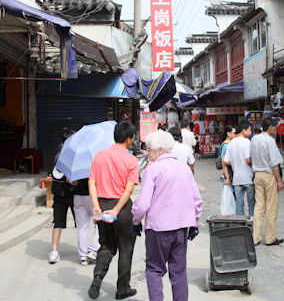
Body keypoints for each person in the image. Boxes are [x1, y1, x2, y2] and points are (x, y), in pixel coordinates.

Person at [132, 130, 203, 301]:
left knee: (154, 269)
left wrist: (135, 220)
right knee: (178, 271)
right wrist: (195, 223)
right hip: (181, 228)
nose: (147, 153)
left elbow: (142, 204)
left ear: (160, 150)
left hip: (158, 228)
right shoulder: (184, 168)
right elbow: (196, 200)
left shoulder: (152, 170)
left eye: (149, 149)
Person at [87, 121, 140, 300]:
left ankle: (98, 277)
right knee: (126, 248)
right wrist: (117, 210)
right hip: (122, 208)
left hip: (101, 205)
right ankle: (122, 289)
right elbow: (129, 189)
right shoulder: (131, 159)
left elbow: (91, 182)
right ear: (129, 139)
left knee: (106, 245)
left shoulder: (99, 156)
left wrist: (96, 205)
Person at [250, 118, 284, 246]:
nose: (276, 129)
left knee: (259, 206)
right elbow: (274, 164)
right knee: (271, 206)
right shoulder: (269, 141)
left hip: (257, 175)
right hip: (268, 175)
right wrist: (280, 181)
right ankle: (270, 238)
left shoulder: (254, 139)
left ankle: (256, 237)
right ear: (270, 127)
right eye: (275, 127)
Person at [49, 130, 76, 264]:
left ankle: (54, 251)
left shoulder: (57, 155)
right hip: (70, 193)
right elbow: (70, 180)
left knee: (58, 223)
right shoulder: (69, 157)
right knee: (81, 223)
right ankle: (85, 251)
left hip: (58, 195)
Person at [222, 120, 255, 216]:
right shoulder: (247, 142)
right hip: (248, 178)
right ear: (243, 130)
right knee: (251, 203)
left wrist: (235, 163)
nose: (250, 133)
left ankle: (241, 224)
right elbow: (248, 160)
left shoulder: (231, 143)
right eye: (249, 130)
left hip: (237, 179)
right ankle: (252, 224)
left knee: (239, 204)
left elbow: (226, 160)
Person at [73, 178, 100, 265]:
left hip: (78, 196)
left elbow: (69, 180)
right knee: (99, 224)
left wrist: (78, 183)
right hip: (94, 197)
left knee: (81, 227)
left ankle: (83, 255)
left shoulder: (76, 165)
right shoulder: (94, 164)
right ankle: (93, 250)